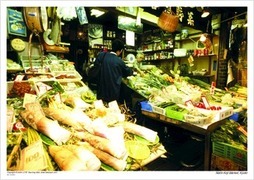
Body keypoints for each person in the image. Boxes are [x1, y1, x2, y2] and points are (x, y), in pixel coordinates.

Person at [95, 39, 133, 103]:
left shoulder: (101, 55)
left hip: (100, 89)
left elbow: (95, 65)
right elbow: (128, 72)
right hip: (113, 92)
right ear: (120, 51)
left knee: (101, 108)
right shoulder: (119, 61)